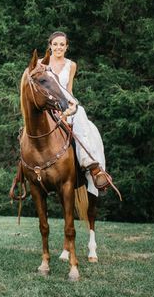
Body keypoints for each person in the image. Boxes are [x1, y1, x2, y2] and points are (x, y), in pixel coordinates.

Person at [47, 31, 111, 195]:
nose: (58, 47)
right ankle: (22, 173)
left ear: (66, 47)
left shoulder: (71, 65)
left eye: (62, 44)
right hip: (47, 103)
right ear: (50, 46)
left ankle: (90, 165)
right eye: (55, 44)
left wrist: (71, 107)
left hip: (66, 103)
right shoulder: (42, 63)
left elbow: (69, 90)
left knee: (81, 116)